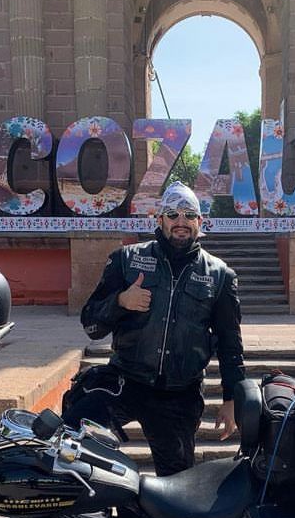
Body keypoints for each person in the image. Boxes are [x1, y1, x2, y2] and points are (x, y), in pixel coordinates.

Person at [62, 181, 245, 476]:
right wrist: (121, 301)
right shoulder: (127, 260)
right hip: (124, 382)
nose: (181, 221)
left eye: (189, 215)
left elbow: (229, 342)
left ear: (200, 221)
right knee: (69, 440)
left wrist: (231, 398)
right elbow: (91, 324)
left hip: (178, 394)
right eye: (173, 214)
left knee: (177, 486)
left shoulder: (219, 275)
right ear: (159, 219)